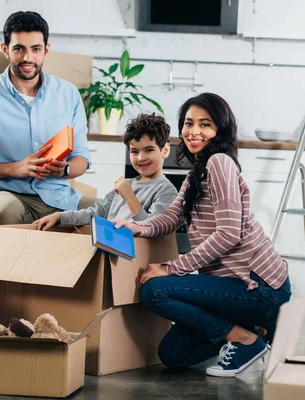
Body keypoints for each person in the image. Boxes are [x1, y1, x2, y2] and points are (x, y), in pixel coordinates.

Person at [113, 93, 291, 377]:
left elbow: (229, 233)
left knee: (154, 290)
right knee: (174, 354)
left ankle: (245, 339)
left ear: (220, 129)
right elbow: (174, 216)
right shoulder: (198, 170)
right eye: (188, 123)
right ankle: (252, 331)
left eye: (204, 124)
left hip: (260, 287)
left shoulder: (219, 162)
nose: (194, 132)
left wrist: (171, 268)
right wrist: (141, 227)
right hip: (234, 289)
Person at [0, 11, 96, 232]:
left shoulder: (68, 94)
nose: (28, 58)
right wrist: (13, 168)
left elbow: (82, 158)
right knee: (5, 210)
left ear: (46, 50)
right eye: (19, 48)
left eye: (35, 49)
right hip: (2, 195)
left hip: (58, 197)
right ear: (5, 49)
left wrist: (64, 170)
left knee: (108, 213)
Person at [34, 113, 178, 230]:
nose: (141, 158)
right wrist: (59, 217)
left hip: (135, 259)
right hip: (110, 255)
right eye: (134, 151)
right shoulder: (126, 184)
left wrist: (129, 196)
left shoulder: (166, 190)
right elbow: (96, 213)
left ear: (165, 150)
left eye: (149, 150)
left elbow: (150, 229)